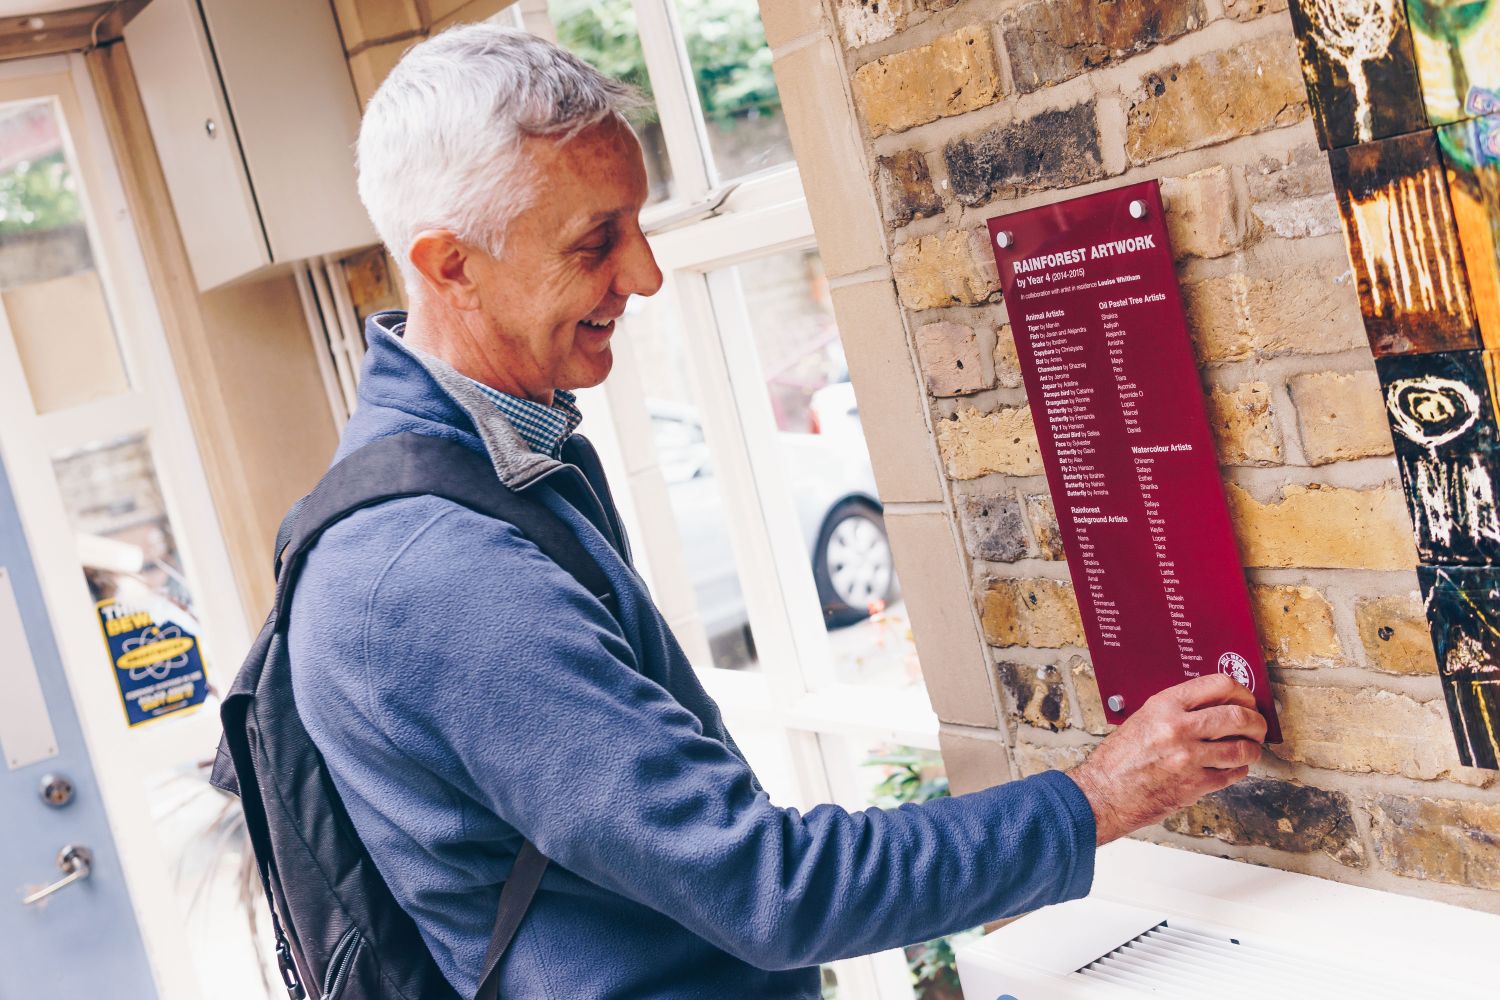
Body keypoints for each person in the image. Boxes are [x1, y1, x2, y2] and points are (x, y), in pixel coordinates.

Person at [289, 24, 1268, 999]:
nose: (644, 274)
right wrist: (1100, 794)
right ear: (451, 264)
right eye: (596, 241)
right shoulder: (432, 569)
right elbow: (768, 888)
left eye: (636, 225)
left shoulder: (493, 469)